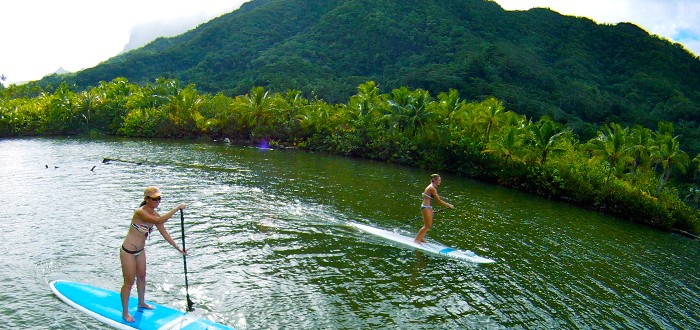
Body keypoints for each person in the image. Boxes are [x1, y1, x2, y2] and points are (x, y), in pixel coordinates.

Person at [120, 186, 187, 323]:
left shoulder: (156, 215)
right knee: (129, 282)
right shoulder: (140, 212)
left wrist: (178, 248)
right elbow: (158, 221)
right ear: (146, 199)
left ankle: (141, 302)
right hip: (128, 251)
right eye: (155, 198)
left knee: (142, 277)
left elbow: (164, 233)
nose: (158, 201)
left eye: (159, 198)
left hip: (140, 251)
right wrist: (176, 208)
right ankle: (125, 312)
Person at [415, 174, 454, 243]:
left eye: (440, 180)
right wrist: (448, 205)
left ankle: (421, 238)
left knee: (428, 225)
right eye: (439, 180)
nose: (440, 181)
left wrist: (431, 209)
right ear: (434, 180)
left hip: (428, 207)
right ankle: (417, 239)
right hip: (426, 207)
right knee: (427, 225)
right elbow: (438, 201)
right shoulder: (432, 188)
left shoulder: (432, 187)